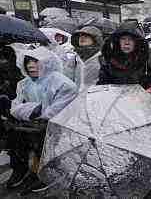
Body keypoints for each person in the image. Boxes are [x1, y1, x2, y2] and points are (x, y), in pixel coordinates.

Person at [8, 47, 77, 194]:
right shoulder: (24, 84)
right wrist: (33, 109)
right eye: (28, 62)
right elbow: (14, 108)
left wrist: (28, 111)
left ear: (47, 63)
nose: (30, 65)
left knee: (41, 140)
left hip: (54, 127)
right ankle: (20, 169)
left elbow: (53, 113)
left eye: (35, 61)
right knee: (15, 138)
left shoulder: (63, 84)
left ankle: (44, 175)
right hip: (29, 125)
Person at [97, 21, 151, 100]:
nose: (127, 43)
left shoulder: (147, 59)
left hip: (143, 104)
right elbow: (103, 85)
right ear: (118, 41)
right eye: (123, 39)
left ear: (136, 42)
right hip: (117, 105)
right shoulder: (109, 60)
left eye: (130, 39)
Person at [64, 26, 104, 91]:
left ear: (95, 39)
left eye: (86, 36)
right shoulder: (74, 59)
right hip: (77, 98)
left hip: (96, 98)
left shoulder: (102, 58)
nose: (82, 37)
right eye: (80, 35)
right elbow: (67, 82)